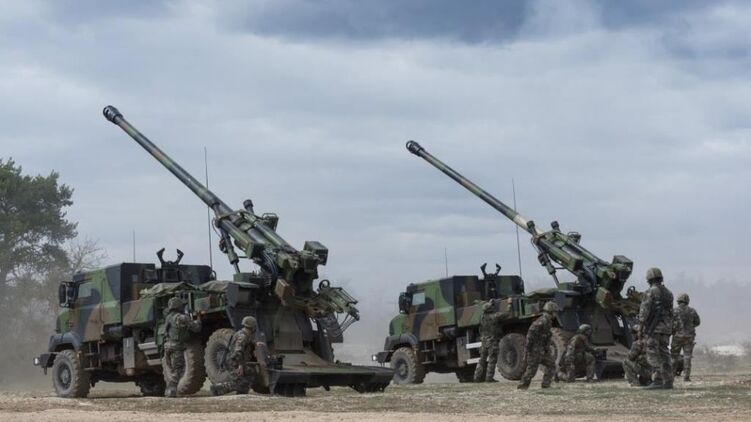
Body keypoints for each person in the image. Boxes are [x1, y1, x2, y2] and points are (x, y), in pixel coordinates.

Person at [210, 316, 270, 396]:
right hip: (235, 362)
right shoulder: (243, 336)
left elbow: (246, 342)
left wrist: (255, 343)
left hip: (236, 361)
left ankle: (242, 393)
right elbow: (237, 352)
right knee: (238, 382)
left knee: (249, 374)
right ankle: (217, 389)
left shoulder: (243, 333)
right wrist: (240, 365)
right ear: (252, 327)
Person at [638, 267, 674, 389]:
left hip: (654, 328)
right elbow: (670, 312)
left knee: (652, 352)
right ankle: (668, 381)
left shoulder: (650, 292)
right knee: (665, 353)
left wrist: (640, 327)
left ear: (649, 279)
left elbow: (644, 311)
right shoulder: (669, 293)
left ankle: (657, 380)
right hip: (666, 328)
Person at [163, 296, 202, 397]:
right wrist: (198, 318)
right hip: (176, 346)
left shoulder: (168, 317)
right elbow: (196, 328)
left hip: (167, 347)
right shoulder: (182, 318)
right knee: (178, 370)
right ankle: (171, 393)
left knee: (172, 369)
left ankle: (168, 391)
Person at [518, 301, 559, 390]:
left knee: (551, 365)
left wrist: (547, 348)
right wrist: (528, 349)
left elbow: (547, 336)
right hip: (535, 350)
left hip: (543, 350)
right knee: (531, 370)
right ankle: (522, 387)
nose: (555, 314)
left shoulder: (548, 321)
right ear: (550, 311)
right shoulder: (541, 321)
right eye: (554, 312)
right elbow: (530, 335)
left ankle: (546, 385)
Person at [473, 300, 507, 382]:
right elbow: (507, 314)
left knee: (482, 360)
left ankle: (476, 377)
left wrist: (489, 303)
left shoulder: (482, 318)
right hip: (492, 341)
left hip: (484, 341)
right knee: (492, 360)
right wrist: (509, 304)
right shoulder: (494, 316)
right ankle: (489, 378)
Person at [671, 293, 701, 381]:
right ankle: (686, 376)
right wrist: (690, 327)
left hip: (677, 337)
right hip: (689, 337)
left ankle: (671, 375)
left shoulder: (674, 311)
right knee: (687, 357)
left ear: (678, 301)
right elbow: (698, 322)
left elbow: (670, 322)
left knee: (674, 357)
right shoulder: (692, 311)